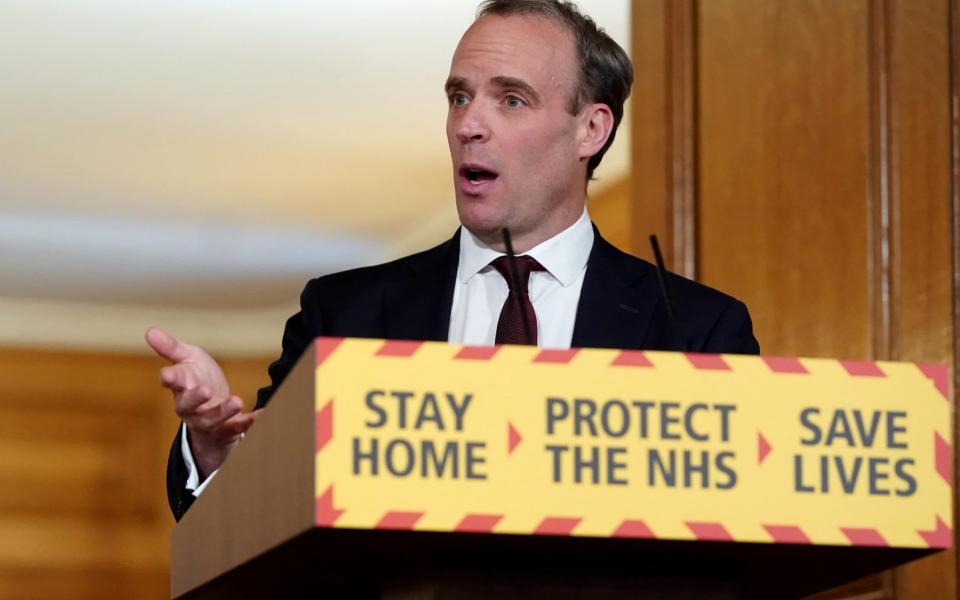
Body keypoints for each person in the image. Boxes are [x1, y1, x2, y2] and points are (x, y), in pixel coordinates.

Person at [147, 0, 759, 521]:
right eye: (459, 96)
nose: (469, 123)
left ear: (591, 130)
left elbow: (744, 524)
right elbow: (248, 518)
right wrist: (215, 452)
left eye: (511, 100)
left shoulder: (698, 330)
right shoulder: (345, 314)